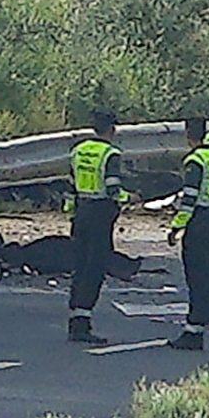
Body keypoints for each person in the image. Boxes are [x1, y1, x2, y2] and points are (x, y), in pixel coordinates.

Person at [167, 117, 209, 351]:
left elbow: (189, 199)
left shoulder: (195, 161)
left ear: (188, 135)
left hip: (199, 221)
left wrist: (176, 226)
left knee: (196, 276)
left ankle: (194, 330)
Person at [66, 109, 128, 345]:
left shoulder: (78, 151)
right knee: (95, 268)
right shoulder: (111, 154)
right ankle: (83, 321)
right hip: (100, 213)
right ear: (111, 130)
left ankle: (74, 319)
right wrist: (128, 197)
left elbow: (70, 186)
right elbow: (113, 189)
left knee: (80, 266)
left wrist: (71, 215)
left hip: (81, 211)